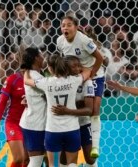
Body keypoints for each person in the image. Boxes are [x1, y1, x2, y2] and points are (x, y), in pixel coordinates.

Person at [24, 54, 91, 167]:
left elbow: (26, 81)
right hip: (72, 129)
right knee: (72, 164)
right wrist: (80, 66)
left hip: (53, 130)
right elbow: (88, 71)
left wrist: (27, 69)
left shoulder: (46, 82)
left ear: (50, 68)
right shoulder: (73, 81)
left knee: (54, 165)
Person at [57, 15, 104, 158]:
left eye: (69, 25)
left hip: (94, 74)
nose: (65, 27)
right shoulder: (60, 41)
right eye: (63, 25)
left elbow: (100, 58)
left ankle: (95, 146)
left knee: (94, 110)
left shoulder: (84, 40)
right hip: (76, 76)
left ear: (76, 27)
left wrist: (91, 73)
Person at [52, 56, 97, 167]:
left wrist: (67, 110)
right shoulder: (61, 83)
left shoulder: (87, 82)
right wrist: (78, 104)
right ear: (66, 68)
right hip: (67, 125)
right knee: (64, 159)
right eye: (74, 66)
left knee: (90, 159)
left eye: (79, 65)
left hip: (83, 124)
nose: (77, 69)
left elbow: (89, 110)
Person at [0, 51, 29, 167]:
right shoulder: (13, 79)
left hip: (30, 124)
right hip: (14, 123)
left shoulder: (37, 80)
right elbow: (2, 103)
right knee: (19, 158)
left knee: (26, 160)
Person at [19, 47, 47, 167]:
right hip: (36, 125)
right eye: (41, 54)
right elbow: (51, 96)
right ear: (36, 58)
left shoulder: (30, 74)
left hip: (30, 122)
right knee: (36, 162)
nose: (43, 57)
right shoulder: (37, 77)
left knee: (38, 160)